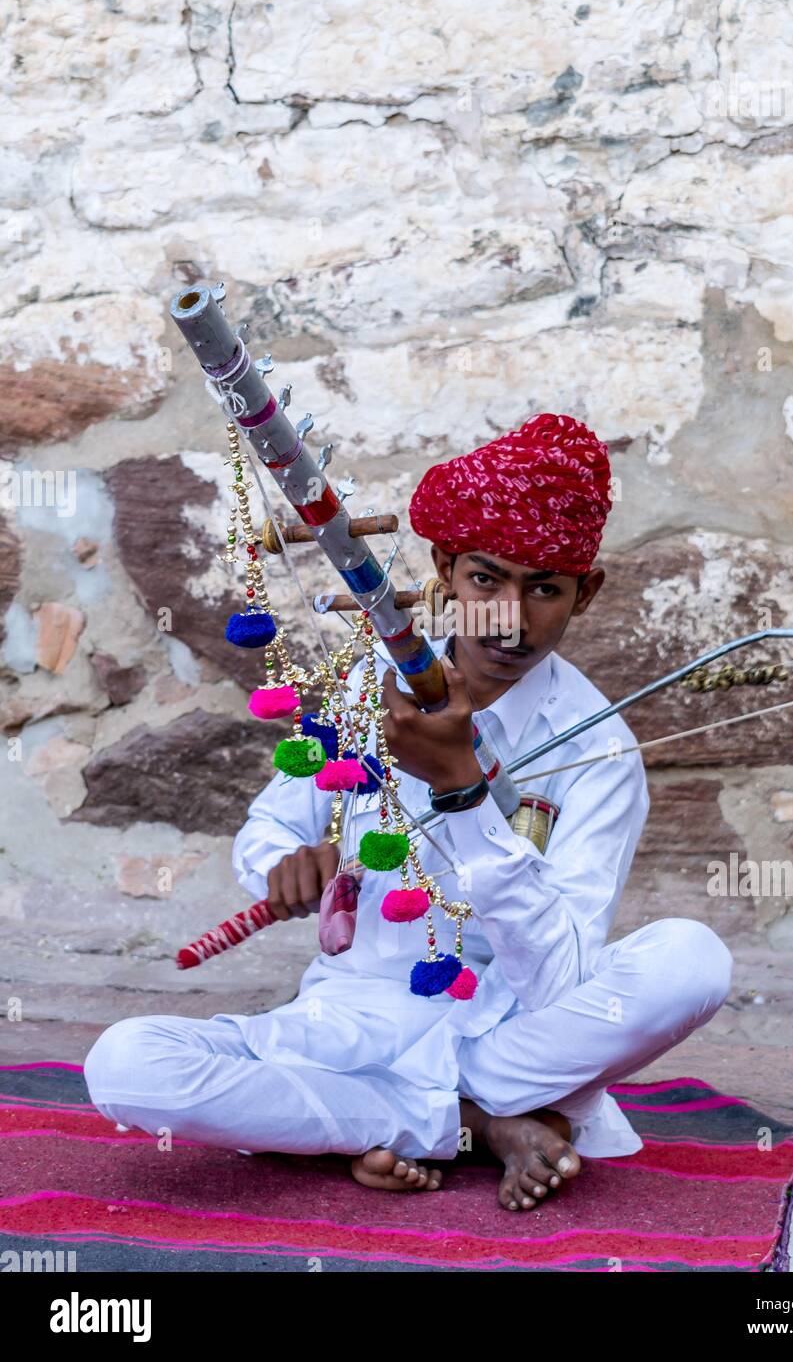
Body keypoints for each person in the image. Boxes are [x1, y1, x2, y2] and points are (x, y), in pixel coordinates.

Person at [84, 412, 733, 1212]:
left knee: (694, 961)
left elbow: (557, 979)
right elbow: (271, 829)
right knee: (127, 1065)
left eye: (546, 588)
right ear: (444, 569)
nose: (511, 618)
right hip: (349, 1024)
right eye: (488, 579)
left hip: (503, 1039)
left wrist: (461, 787)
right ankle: (470, 1124)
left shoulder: (600, 755)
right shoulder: (366, 691)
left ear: (585, 592)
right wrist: (279, 868)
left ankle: (428, 1114)